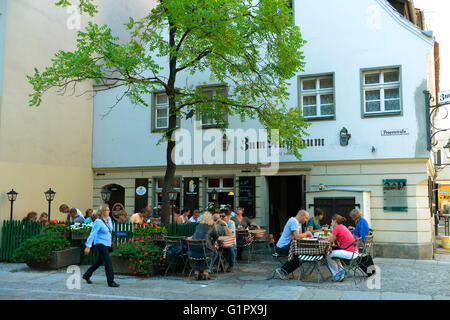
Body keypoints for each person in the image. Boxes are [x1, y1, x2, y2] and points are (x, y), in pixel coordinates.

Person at [82, 204, 119, 287]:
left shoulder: (109, 219)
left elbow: (110, 231)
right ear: (102, 211)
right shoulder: (98, 222)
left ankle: (86, 275)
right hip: (100, 243)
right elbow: (92, 234)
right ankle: (111, 282)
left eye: (109, 209)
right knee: (108, 262)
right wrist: (88, 246)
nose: (109, 211)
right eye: (107, 210)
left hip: (107, 243)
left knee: (99, 262)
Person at [274, 210, 313, 279]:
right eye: (306, 218)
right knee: (301, 255)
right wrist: (307, 233)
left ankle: (283, 270)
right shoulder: (294, 221)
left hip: (286, 246)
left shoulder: (296, 222)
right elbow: (297, 237)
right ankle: (283, 270)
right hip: (282, 248)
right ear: (301, 216)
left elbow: (297, 236)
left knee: (301, 255)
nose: (306, 220)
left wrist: (303, 235)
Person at [325, 214, 358, 282]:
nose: (331, 223)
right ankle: (341, 271)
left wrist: (323, 237)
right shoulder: (342, 226)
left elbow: (330, 239)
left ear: (335, 221)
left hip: (349, 252)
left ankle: (336, 275)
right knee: (334, 255)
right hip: (353, 251)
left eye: (331, 221)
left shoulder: (337, 228)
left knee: (328, 254)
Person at [188, 212, 219, 280]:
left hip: (192, 252)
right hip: (205, 251)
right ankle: (206, 271)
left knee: (198, 254)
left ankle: (196, 272)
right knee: (214, 253)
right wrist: (213, 244)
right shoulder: (211, 227)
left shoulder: (197, 226)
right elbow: (216, 237)